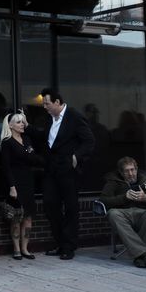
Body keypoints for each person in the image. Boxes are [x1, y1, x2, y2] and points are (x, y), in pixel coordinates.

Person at [37, 87, 94, 260]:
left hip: (68, 171)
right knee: (49, 204)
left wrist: (77, 156)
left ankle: (69, 246)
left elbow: (89, 140)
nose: (45, 107)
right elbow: (44, 140)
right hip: (51, 170)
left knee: (70, 207)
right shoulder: (49, 120)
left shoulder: (74, 117)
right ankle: (60, 242)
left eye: (47, 103)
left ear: (57, 102)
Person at [99, 156, 146, 269]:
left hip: (144, 213)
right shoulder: (114, 181)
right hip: (123, 213)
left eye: (132, 169)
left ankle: (140, 257)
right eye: (126, 171)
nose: (131, 174)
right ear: (121, 172)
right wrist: (124, 197)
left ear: (137, 169)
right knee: (113, 214)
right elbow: (103, 201)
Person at [0, 110, 42, 260]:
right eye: (18, 122)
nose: (22, 124)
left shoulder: (27, 139)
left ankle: (25, 248)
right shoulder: (7, 142)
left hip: (28, 181)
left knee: (28, 217)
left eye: (23, 121)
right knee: (16, 218)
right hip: (15, 183)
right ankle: (16, 248)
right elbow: (6, 167)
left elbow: (33, 157)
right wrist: (12, 187)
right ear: (10, 125)